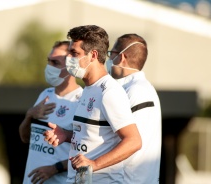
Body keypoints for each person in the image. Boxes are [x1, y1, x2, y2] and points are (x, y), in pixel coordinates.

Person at [43, 25, 142, 183]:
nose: (69, 59)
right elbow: (93, 136)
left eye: (75, 53)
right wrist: (67, 135)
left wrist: (94, 164)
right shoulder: (88, 89)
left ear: (93, 55)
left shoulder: (109, 92)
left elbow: (134, 141)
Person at [19, 40, 83, 184]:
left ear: (71, 66)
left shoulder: (80, 101)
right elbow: (25, 138)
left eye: (55, 63)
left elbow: (89, 152)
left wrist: (55, 168)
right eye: (48, 61)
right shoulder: (45, 95)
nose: (49, 67)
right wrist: (29, 115)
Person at [106, 33, 162, 183]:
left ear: (122, 57)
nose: (109, 59)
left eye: (111, 54)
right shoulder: (135, 88)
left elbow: (130, 143)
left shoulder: (136, 90)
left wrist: (94, 164)